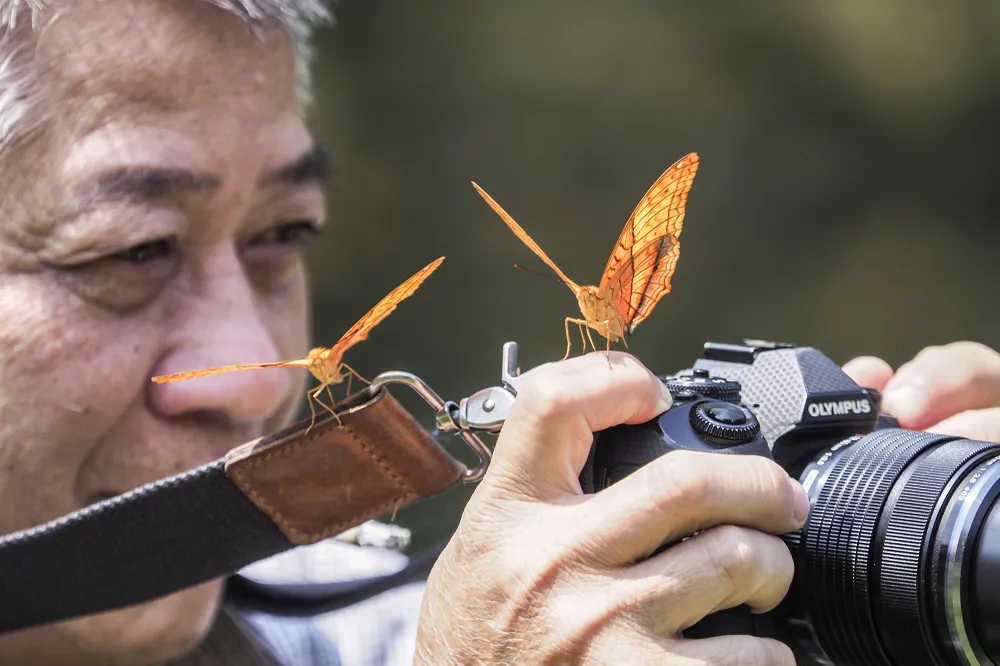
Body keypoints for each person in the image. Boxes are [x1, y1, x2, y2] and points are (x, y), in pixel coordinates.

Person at [1, 0, 999, 663]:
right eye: (128, 253)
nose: (256, 385)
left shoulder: (372, 624)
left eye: (279, 236)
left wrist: (864, 593)